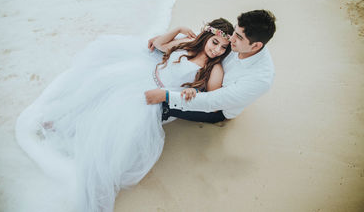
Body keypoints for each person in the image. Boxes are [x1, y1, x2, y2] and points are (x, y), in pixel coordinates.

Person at [15, 18, 234, 212]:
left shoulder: (214, 70)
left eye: (223, 48)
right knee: (101, 85)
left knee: (118, 116)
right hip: (144, 74)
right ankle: (65, 127)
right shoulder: (186, 44)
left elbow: (212, 103)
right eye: (215, 42)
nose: (217, 50)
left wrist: (192, 93)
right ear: (206, 36)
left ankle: (85, 150)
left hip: (157, 97)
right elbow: (158, 45)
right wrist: (177, 28)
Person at [145, 9, 276, 123]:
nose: (232, 39)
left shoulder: (259, 80)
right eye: (235, 32)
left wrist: (166, 96)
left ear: (256, 46)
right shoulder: (238, 41)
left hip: (217, 108)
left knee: (155, 107)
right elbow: (214, 36)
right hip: (200, 82)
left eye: (239, 37)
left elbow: (213, 102)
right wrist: (172, 38)